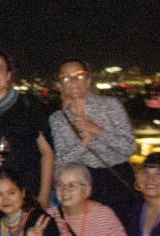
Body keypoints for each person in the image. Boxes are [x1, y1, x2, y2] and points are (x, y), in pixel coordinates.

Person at [49, 59, 139, 213]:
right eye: (66, 77)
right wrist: (84, 142)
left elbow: (129, 147)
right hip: (81, 184)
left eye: (79, 75)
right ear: (59, 85)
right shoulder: (58, 119)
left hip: (116, 178)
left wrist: (98, 131)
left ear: (88, 80)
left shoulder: (110, 105)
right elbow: (62, 160)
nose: (73, 81)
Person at [0, 50, 55, 208]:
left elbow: (47, 152)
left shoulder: (27, 104)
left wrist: (44, 197)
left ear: (9, 75)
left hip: (30, 193)